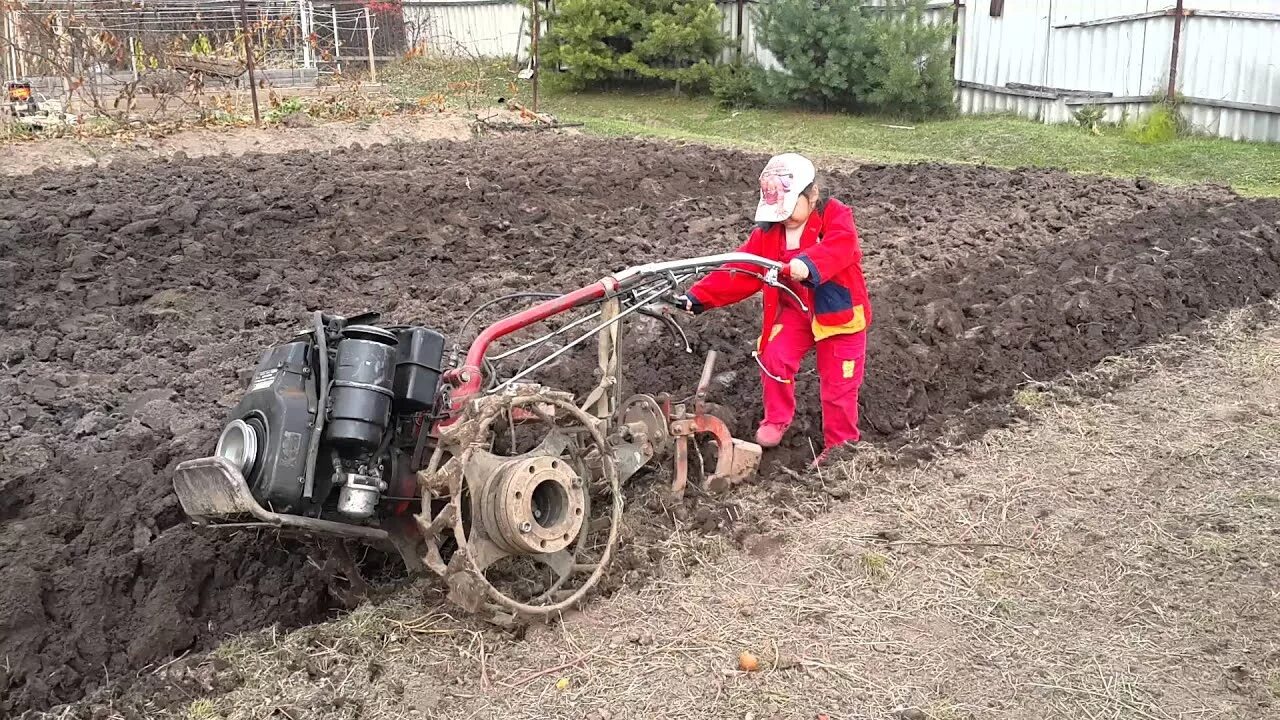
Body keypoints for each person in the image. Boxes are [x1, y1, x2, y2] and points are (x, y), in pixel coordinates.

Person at [674, 153, 871, 464]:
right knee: (774, 356)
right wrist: (700, 296)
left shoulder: (835, 215)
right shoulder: (769, 233)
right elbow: (742, 268)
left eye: (791, 206)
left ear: (813, 194)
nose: (785, 216)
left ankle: (841, 446)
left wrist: (807, 264)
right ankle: (777, 419)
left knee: (838, 386)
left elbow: (843, 246)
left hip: (838, 316)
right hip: (794, 309)